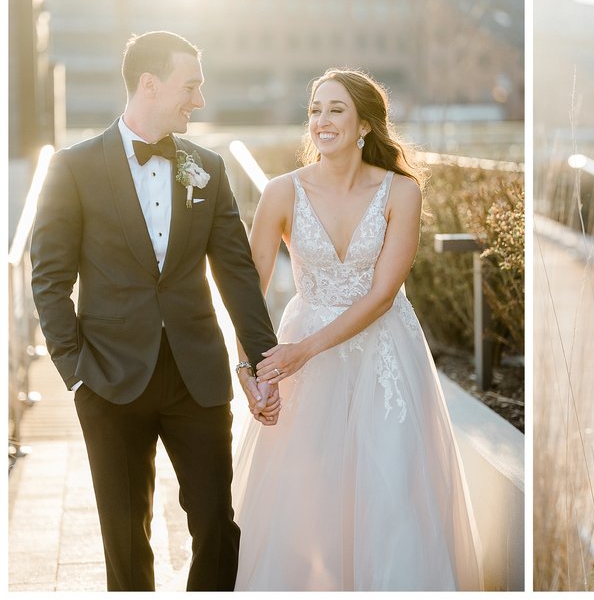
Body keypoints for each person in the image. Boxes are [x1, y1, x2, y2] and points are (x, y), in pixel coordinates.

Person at [30, 30, 281, 591]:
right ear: (150, 84)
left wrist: (263, 364)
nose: (200, 100)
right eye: (190, 86)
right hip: (108, 379)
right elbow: (49, 279)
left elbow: (237, 274)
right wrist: (75, 373)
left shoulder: (208, 169)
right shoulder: (73, 168)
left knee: (217, 525)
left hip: (197, 377)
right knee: (124, 536)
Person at [230, 68, 482, 590]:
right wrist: (248, 370)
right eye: (315, 109)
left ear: (365, 123)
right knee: (304, 499)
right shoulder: (281, 192)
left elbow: (382, 294)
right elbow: (246, 294)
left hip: (384, 354)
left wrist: (305, 350)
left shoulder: (402, 192)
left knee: (390, 491)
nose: (322, 120)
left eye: (336, 109)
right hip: (301, 357)